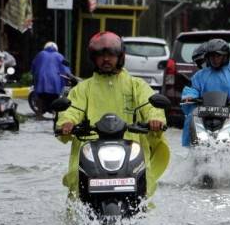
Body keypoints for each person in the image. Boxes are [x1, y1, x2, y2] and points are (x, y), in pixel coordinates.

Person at [56, 31, 170, 199]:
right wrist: (67, 123)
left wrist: (156, 119)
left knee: (144, 191)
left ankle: (144, 222)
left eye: (111, 55)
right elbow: (72, 109)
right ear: (94, 58)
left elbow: (150, 105)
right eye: (101, 55)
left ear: (120, 57)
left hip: (131, 151)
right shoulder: (82, 88)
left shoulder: (136, 85)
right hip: (91, 152)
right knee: (77, 190)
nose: (106, 59)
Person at [31, 41, 71, 119]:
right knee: (56, 97)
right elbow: (66, 68)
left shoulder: (40, 54)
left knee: (40, 97)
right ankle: (55, 115)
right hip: (55, 81)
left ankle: (39, 115)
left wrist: (34, 75)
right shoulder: (59, 56)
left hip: (41, 80)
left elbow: (33, 66)